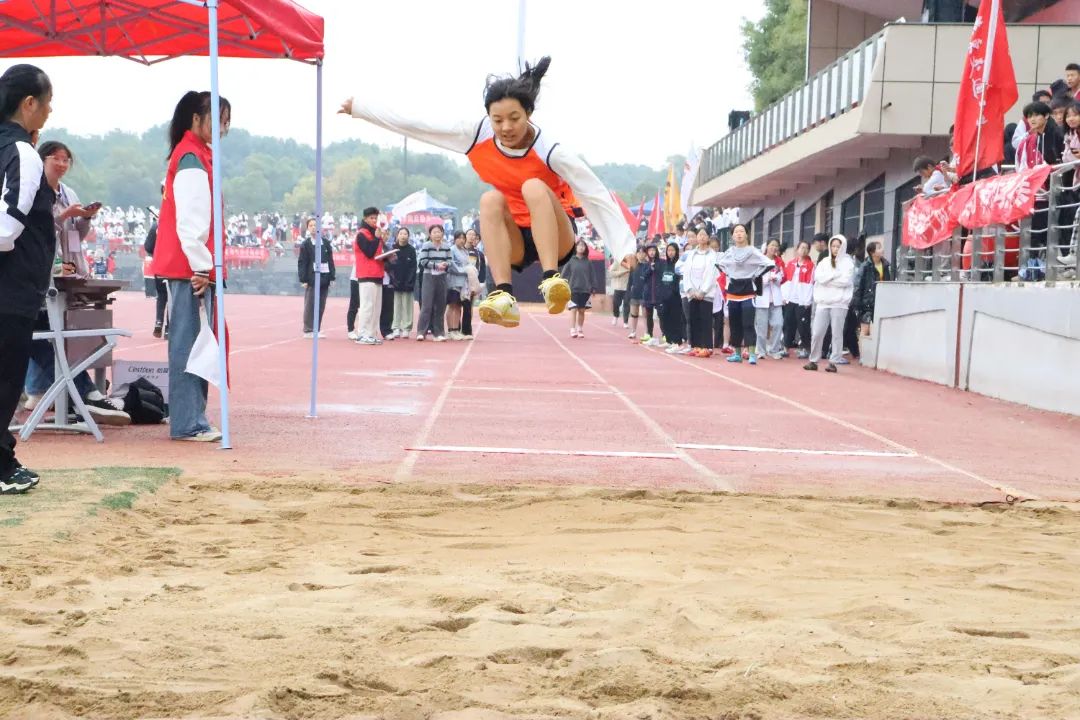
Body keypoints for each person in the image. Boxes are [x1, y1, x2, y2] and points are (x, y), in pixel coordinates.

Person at [340, 56, 635, 331]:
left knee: (532, 186)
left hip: (556, 236)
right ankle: (503, 295)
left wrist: (623, 247)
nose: (506, 127)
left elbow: (594, 193)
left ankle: (551, 279)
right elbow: (419, 124)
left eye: (514, 118)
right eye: (498, 120)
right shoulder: (476, 134)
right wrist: (362, 109)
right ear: (489, 117)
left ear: (529, 114)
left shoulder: (551, 151)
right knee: (489, 199)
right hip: (515, 238)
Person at [22, 140, 128, 426]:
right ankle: (75, 393)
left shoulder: (68, 193)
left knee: (53, 332)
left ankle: (58, 392)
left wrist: (85, 218)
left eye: (66, 159)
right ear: (42, 160)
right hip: (38, 273)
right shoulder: (33, 191)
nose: (62, 164)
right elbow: (38, 231)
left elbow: (74, 235)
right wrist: (64, 216)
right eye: (56, 158)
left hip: (64, 268)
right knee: (42, 332)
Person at [150, 90, 231, 442]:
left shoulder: (195, 155)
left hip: (192, 267)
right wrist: (201, 267)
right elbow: (191, 220)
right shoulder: (191, 159)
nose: (224, 128)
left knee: (196, 343)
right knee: (189, 345)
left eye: (227, 122)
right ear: (197, 119)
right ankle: (187, 421)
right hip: (190, 270)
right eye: (219, 120)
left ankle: (192, 417)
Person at [0, 64, 54, 493]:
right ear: (29, 103)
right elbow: (7, 228)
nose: (50, 112)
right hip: (11, 287)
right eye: (48, 103)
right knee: (5, 379)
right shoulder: (22, 152)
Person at [718, 224, 773, 365]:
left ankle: (752, 354)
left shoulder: (753, 251)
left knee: (748, 323)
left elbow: (769, 263)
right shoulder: (729, 252)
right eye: (736, 232)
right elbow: (719, 264)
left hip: (748, 291)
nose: (739, 234)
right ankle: (737, 354)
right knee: (734, 323)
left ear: (746, 234)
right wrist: (729, 273)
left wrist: (755, 274)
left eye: (741, 231)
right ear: (732, 236)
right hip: (733, 291)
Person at [804, 235, 856, 373]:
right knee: (817, 332)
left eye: (838, 246)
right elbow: (818, 278)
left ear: (843, 247)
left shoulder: (848, 263)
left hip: (839, 303)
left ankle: (834, 361)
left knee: (837, 333)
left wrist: (827, 280)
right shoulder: (824, 262)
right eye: (833, 246)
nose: (835, 249)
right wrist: (833, 276)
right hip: (823, 302)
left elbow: (845, 281)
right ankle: (813, 360)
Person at [680, 228, 720, 358]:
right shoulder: (691, 254)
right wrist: (690, 289)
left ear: (708, 237)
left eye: (704, 234)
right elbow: (686, 272)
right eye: (700, 235)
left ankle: (706, 347)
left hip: (705, 293)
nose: (702, 237)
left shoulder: (712, 255)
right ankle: (696, 346)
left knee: (705, 320)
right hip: (692, 292)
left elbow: (711, 275)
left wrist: (703, 291)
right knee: (694, 319)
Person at [297, 216, 335, 338]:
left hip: (324, 278)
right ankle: (308, 330)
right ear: (308, 228)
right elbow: (302, 262)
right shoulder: (306, 244)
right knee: (310, 304)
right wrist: (303, 279)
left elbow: (330, 261)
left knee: (321, 305)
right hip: (312, 278)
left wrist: (332, 277)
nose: (314, 227)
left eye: (316, 225)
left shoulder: (326, 243)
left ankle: (316, 329)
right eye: (311, 226)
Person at [353, 207, 385, 345]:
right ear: (365, 219)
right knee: (367, 306)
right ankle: (362, 334)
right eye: (371, 218)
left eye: (376, 218)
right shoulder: (361, 234)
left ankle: (371, 334)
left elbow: (378, 252)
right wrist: (377, 238)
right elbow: (369, 252)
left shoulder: (376, 233)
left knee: (376, 308)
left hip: (378, 274)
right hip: (366, 274)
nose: (374, 221)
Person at [416, 224, 451, 342]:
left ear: (442, 233)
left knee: (440, 305)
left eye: (439, 232)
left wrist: (446, 265)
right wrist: (436, 265)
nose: (437, 234)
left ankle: (439, 333)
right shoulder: (426, 245)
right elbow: (422, 261)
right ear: (430, 235)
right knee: (427, 305)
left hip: (442, 277)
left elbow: (450, 261)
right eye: (434, 232)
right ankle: (421, 332)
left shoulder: (446, 247)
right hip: (429, 276)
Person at [753, 238, 786, 360]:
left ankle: (774, 350)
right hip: (763, 296)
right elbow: (755, 277)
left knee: (778, 324)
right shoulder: (760, 260)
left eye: (776, 246)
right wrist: (766, 279)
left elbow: (783, 277)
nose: (774, 248)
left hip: (776, 297)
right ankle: (761, 350)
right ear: (767, 246)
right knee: (761, 326)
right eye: (772, 245)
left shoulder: (779, 262)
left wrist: (776, 278)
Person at [782, 239, 814, 359]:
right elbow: (785, 280)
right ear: (797, 249)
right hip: (790, 299)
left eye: (806, 248)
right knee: (788, 324)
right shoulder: (790, 264)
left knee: (803, 326)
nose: (804, 250)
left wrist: (807, 300)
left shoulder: (810, 265)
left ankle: (806, 348)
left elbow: (811, 283)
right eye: (802, 247)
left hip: (803, 301)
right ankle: (785, 348)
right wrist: (784, 297)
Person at [853, 240, 892, 337]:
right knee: (865, 331)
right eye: (879, 248)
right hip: (868, 303)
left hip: (882, 301)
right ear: (872, 252)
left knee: (877, 332)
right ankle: (862, 347)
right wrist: (857, 305)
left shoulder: (886, 265)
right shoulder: (865, 266)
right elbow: (858, 286)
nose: (882, 250)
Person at [387, 226, 417, 339]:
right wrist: (393, 279)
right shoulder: (393, 249)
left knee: (407, 306)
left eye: (405, 234)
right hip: (395, 282)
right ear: (397, 236)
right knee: (396, 305)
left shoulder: (411, 250)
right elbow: (389, 266)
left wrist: (410, 281)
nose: (403, 236)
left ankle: (406, 328)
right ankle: (395, 327)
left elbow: (413, 267)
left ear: (408, 236)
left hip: (408, 282)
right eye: (401, 234)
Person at [657, 241, 685, 354]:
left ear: (676, 251)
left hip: (675, 297)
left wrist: (674, 292)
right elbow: (661, 280)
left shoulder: (679, 264)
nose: (670, 252)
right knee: (665, 318)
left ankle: (677, 342)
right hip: (664, 298)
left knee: (675, 320)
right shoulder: (664, 265)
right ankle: (669, 340)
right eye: (668, 250)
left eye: (672, 250)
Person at [563, 239, 593, 338]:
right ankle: (572, 329)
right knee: (573, 309)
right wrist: (562, 284)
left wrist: (593, 287)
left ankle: (580, 328)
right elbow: (564, 274)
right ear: (575, 248)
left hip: (585, 290)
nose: (581, 247)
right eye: (579, 245)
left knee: (582, 310)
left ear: (585, 248)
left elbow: (592, 275)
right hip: (573, 289)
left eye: (583, 246)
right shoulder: (570, 261)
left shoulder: (588, 262)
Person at [445, 230, 470, 340]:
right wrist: (464, 271)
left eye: (463, 238)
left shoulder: (465, 251)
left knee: (458, 306)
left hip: (463, 283)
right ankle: (451, 330)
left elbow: (468, 264)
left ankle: (456, 330)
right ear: (455, 239)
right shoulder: (452, 250)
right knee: (452, 305)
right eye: (459, 238)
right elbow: (451, 265)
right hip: (453, 282)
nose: (462, 240)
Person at [461, 228, 486, 338]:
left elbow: (482, 269)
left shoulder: (478, 253)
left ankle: (467, 330)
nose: (472, 237)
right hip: (460, 282)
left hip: (471, 283)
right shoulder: (460, 250)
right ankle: (454, 328)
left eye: (474, 235)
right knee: (456, 306)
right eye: (469, 234)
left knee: (468, 306)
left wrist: (480, 283)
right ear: (465, 236)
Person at [640, 244, 661, 345]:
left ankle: (665, 334)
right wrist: (650, 269)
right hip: (648, 294)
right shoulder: (645, 264)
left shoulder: (661, 263)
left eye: (653, 250)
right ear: (647, 253)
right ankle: (650, 334)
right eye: (650, 250)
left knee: (661, 315)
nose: (652, 252)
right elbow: (643, 277)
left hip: (659, 294)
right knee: (649, 316)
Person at [626, 247, 648, 342]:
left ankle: (647, 332)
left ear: (645, 254)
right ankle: (633, 331)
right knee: (634, 313)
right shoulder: (634, 266)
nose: (640, 254)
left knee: (645, 314)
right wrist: (628, 292)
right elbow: (630, 281)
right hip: (634, 293)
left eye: (642, 252)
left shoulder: (648, 265)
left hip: (644, 294)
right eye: (638, 253)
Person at [608, 251, 630, 328]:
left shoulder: (631, 263)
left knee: (627, 304)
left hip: (628, 287)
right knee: (616, 303)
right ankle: (615, 315)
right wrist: (623, 272)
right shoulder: (617, 262)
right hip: (618, 287)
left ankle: (625, 322)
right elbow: (611, 272)